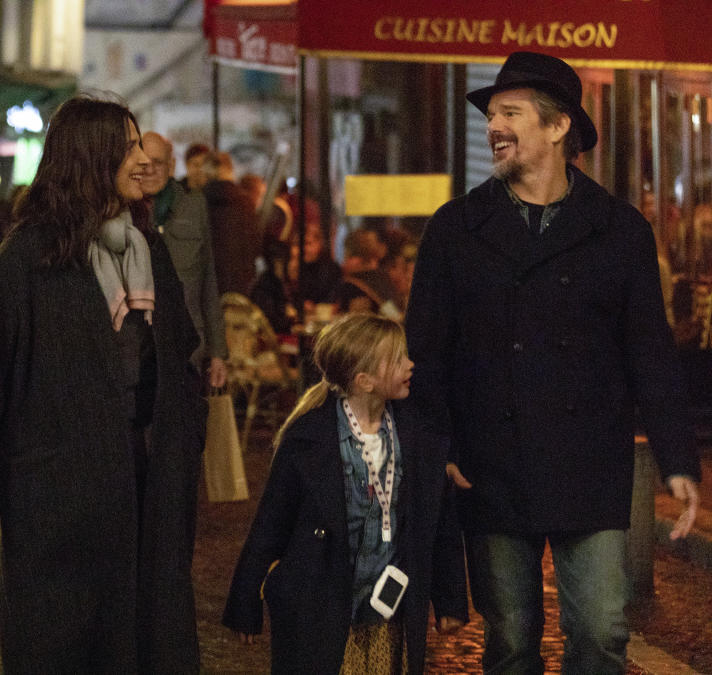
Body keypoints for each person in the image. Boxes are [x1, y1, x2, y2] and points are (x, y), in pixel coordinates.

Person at [406, 51, 702, 674]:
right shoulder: (455, 228)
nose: (494, 127)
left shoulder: (619, 230)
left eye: (510, 113)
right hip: (490, 463)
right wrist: (441, 445)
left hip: (587, 462)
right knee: (510, 641)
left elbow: (649, 350)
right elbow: (426, 352)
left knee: (600, 633)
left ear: (558, 126)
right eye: (491, 116)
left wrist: (678, 460)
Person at [0, 97, 206, 673]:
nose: (145, 161)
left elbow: (180, 355)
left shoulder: (149, 249)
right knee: (62, 636)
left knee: (144, 631)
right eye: (131, 147)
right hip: (58, 489)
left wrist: (184, 444)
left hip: (145, 478)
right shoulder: (30, 255)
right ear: (93, 157)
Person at [223, 312, 468, 673]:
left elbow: (436, 524)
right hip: (321, 610)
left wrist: (449, 601)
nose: (410, 364)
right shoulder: (307, 439)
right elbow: (271, 524)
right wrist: (245, 602)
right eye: (398, 359)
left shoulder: (417, 438)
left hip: (389, 618)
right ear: (364, 380)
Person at [140, 131, 227, 387]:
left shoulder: (193, 206)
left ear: (171, 165)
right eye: (144, 163)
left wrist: (217, 352)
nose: (151, 170)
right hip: (140, 349)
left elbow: (208, 279)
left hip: (188, 347)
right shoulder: (121, 211)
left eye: (158, 162)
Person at [202, 151, 263, 296]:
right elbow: (254, 244)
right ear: (230, 170)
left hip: (208, 283)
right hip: (240, 282)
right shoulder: (245, 202)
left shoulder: (198, 201)